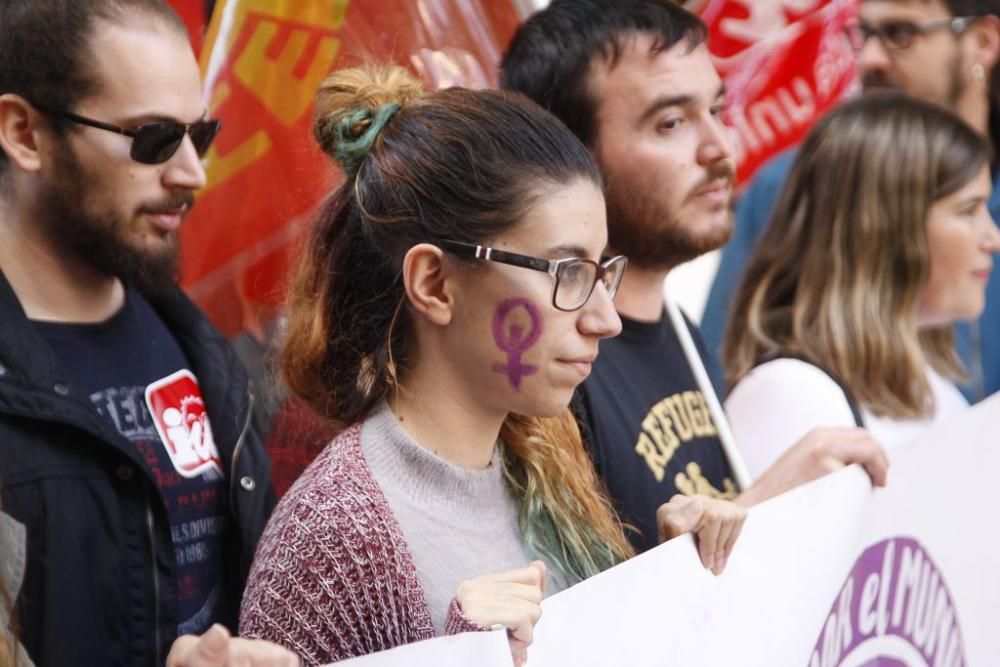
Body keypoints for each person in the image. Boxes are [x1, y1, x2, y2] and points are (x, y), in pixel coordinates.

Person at [238, 64, 747, 666]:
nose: (606, 319)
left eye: (602, 269)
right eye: (567, 273)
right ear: (435, 284)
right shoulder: (332, 536)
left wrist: (666, 578)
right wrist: (460, 655)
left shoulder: (544, 453)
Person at [501, 0, 890, 553]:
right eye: (671, 122)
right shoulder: (554, 363)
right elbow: (581, 617)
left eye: (717, 109)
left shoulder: (679, 330)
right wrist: (769, 500)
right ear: (569, 156)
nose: (720, 147)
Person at [0, 1, 285, 664]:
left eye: (201, 135)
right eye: (153, 139)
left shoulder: (202, 350)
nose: (193, 173)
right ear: (24, 133)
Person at [703, 0, 1000, 402]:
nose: (871, 59)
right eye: (862, 35)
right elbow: (723, 370)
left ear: (983, 41)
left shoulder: (939, 398)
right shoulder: (791, 181)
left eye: (900, 34)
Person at [723, 94, 1000, 476]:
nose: (993, 238)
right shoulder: (792, 393)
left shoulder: (932, 386)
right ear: (888, 230)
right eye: (968, 210)